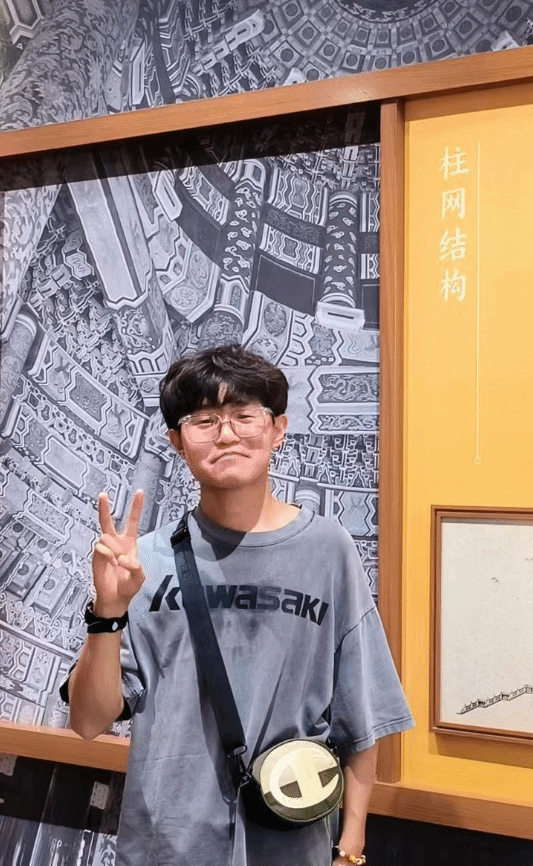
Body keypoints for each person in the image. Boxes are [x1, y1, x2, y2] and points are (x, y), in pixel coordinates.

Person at [63, 343, 412, 866]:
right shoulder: (145, 562)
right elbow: (89, 721)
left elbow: (360, 714)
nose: (225, 434)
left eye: (244, 416)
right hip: (168, 848)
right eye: (204, 421)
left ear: (277, 429)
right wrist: (107, 614)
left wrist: (351, 844)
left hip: (292, 846)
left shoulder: (328, 551)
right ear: (177, 442)